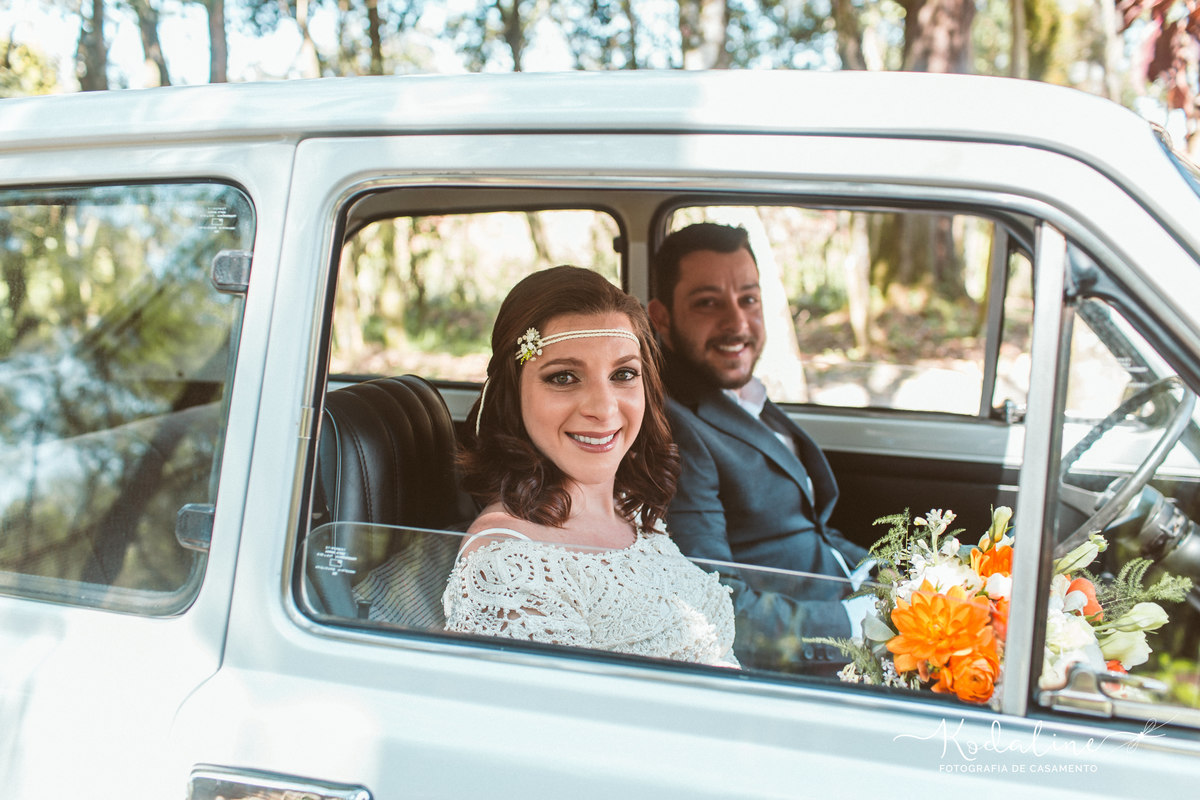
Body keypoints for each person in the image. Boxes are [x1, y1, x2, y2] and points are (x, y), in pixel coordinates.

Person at [442, 265, 738, 668]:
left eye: (623, 374)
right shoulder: (507, 565)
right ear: (513, 394)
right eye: (564, 377)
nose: (603, 408)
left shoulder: (627, 509)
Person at [646, 222, 872, 670]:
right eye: (708, 304)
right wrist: (855, 625)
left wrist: (882, 573)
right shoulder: (674, 428)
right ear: (662, 318)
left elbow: (810, 531)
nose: (737, 323)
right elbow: (718, 611)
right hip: (811, 656)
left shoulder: (740, 395)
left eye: (748, 299)